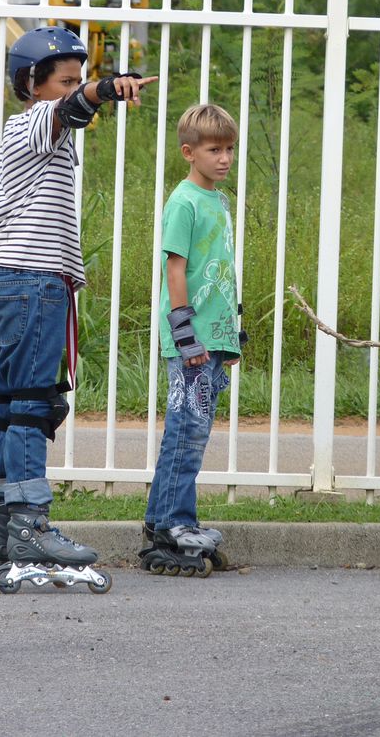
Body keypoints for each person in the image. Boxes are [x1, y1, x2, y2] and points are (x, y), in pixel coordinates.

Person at [0, 26, 155, 594]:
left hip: (11, 279)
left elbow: (71, 113)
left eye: (80, 77)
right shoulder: (32, 121)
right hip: (29, 281)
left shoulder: (38, 135)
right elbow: (72, 109)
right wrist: (104, 88)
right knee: (30, 404)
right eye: (65, 79)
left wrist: (91, 91)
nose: (75, 88)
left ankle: (4, 529)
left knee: (7, 405)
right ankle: (30, 526)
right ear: (33, 83)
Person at [138, 104, 245, 579]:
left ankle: (164, 521)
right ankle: (174, 524)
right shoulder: (183, 201)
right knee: (186, 430)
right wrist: (185, 333)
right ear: (189, 152)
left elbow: (220, 271)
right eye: (214, 150)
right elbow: (175, 269)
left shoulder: (218, 201)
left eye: (229, 149)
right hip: (190, 342)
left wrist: (230, 334)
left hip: (213, 339)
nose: (224, 158)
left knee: (192, 430)